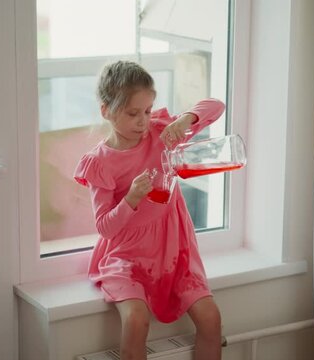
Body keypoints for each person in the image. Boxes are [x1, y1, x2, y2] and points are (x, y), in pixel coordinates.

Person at [74, 60, 224, 360]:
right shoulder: (101, 162)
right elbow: (105, 226)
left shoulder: (162, 133)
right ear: (106, 111)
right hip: (128, 257)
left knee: (211, 318)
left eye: (147, 110)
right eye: (133, 113)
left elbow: (217, 105)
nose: (143, 121)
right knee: (136, 320)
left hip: (175, 253)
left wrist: (185, 120)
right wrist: (131, 198)